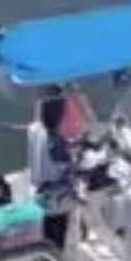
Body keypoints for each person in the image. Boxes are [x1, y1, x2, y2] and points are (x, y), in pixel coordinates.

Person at [28, 95, 76, 251]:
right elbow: (68, 166)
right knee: (55, 241)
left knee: (44, 237)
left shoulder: (34, 128)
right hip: (56, 200)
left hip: (38, 193)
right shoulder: (56, 142)